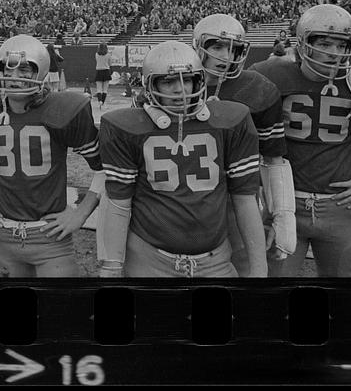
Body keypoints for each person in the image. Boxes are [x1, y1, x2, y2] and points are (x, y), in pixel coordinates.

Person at [248, 4, 351, 277]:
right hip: (283, 205)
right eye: (324, 42)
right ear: (303, 43)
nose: (333, 53)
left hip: (341, 210)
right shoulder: (269, 76)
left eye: (342, 44)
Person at [97, 41, 267, 278]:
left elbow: (245, 200)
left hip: (215, 261)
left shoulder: (230, 121)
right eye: (168, 81)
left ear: (198, 80)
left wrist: (260, 269)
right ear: (149, 85)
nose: (180, 90)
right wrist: (112, 266)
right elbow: (119, 203)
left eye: (186, 79)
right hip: (149, 260)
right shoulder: (127, 127)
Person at [0, 35, 103, 277]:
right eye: (8, 68)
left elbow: (103, 168)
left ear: (41, 73)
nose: (14, 77)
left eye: (25, 69)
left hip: (49, 238)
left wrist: (82, 211)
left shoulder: (65, 110)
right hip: (3, 235)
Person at [191, 14, 295, 277]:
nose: (227, 56)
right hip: (179, 195)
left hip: (237, 196)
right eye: (217, 46)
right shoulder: (172, 80)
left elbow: (273, 159)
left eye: (234, 49)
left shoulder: (257, 89)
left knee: (245, 265)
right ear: (197, 45)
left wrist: (282, 216)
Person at [94, 42, 112, 108]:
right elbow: (110, 63)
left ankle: (100, 102)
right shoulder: (108, 55)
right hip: (106, 71)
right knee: (105, 89)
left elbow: (97, 61)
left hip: (99, 71)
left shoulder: (96, 54)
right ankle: (103, 103)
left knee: (99, 89)